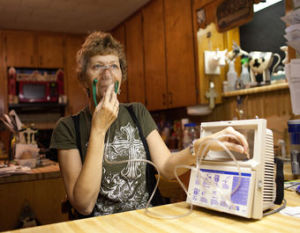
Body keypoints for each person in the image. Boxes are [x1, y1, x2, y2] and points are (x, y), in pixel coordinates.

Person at [50, 31, 249, 218]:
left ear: (122, 75)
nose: (107, 73)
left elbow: (167, 168)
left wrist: (199, 147)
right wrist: (99, 128)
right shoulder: (68, 128)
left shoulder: (137, 112)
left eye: (114, 66)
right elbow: (84, 204)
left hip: (149, 219)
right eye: (97, 66)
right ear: (84, 78)